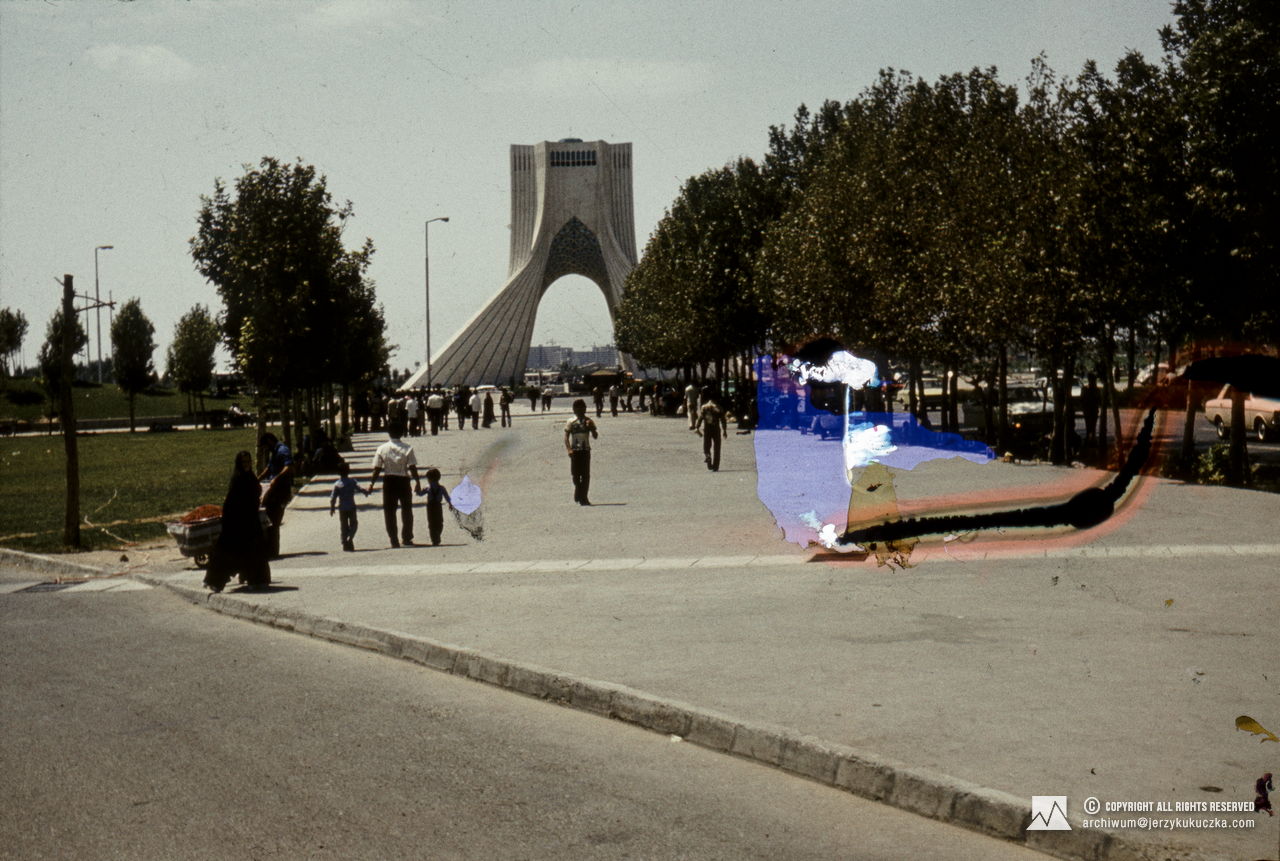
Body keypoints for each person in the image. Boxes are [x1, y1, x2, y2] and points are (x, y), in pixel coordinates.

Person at [204, 450, 270, 592]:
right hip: (236, 523)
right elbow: (231, 503)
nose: (247, 465)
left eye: (249, 462)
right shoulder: (237, 479)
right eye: (244, 462)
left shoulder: (250, 477)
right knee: (227, 553)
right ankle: (215, 582)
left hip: (250, 521)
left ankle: (256, 579)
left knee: (254, 550)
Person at [367, 422, 421, 548]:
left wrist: (371, 484)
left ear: (389, 433)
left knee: (389, 511)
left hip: (389, 481)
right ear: (402, 433)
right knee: (407, 510)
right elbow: (412, 467)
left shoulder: (382, 448)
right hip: (403, 481)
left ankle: (393, 539)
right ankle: (407, 537)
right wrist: (417, 482)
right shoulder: (408, 448)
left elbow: (377, 468)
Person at [258, 432, 294, 558]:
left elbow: (288, 467)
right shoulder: (274, 452)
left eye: (265, 446)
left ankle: (273, 551)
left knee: (274, 520)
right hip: (272, 490)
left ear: (269, 441)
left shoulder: (283, 450)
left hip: (280, 491)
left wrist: (276, 478)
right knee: (267, 519)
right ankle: (268, 549)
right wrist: (259, 478)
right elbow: (269, 468)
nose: (266, 450)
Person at [564, 398, 599, 505]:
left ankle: (584, 498)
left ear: (585, 409)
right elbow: (566, 437)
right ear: (574, 409)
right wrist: (569, 449)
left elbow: (595, 436)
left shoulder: (589, 421)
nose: (580, 410)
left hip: (585, 450)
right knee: (575, 475)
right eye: (577, 407)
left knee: (585, 475)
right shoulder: (571, 421)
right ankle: (578, 491)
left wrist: (592, 428)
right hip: (575, 451)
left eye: (582, 407)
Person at [329, 460, 368, 552]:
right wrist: (366, 492)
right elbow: (360, 489)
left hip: (342, 507)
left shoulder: (337, 484)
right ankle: (350, 538)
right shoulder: (352, 481)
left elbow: (333, 498)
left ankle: (344, 541)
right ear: (349, 471)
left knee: (343, 525)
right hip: (351, 506)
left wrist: (332, 508)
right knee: (354, 524)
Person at [694, 386, 729, 471]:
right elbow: (723, 420)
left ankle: (708, 457)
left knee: (706, 446)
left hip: (707, 429)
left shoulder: (704, 407)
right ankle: (715, 466)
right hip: (716, 429)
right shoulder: (718, 407)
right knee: (717, 448)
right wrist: (724, 430)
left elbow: (700, 418)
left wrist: (697, 427)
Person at [416, 467, 453, 546]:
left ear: (428, 479)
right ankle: (437, 535)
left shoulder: (427, 487)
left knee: (431, 522)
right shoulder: (442, 488)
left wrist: (417, 490)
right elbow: (447, 497)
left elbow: (420, 494)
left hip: (430, 506)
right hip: (438, 506)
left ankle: (434, 538)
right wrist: (450, 504)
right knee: (439, 522)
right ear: (438, 478)